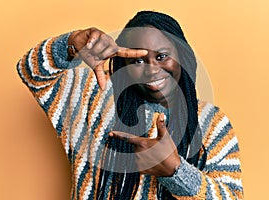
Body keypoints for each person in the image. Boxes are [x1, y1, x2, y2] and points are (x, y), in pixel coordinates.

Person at [17, 11, 243, 199]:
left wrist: (176, 171)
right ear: (123, 61)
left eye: (162, 56)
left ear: (182, 56)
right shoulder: (91, 95)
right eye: (139, 60)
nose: (152, 69)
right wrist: (70, 45)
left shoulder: (211, 122)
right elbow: (31, 72)